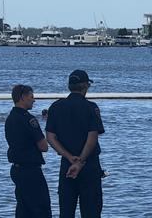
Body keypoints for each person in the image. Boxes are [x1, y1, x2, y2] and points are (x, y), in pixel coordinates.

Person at [46, 70, 105, 218]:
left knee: (66, 212)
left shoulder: (56, 107)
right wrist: (80, 161)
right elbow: (92, 137)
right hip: (89, 166)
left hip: (67, 165)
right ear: (85, 86)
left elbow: (50, 137)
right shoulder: (91, 107)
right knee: (91, 212)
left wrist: (69, 157)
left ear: (69, 86)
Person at [5, 84, 52, 218]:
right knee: (41, 208)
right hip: (31, 170)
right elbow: (44, 147)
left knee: (23, 209)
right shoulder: (29, 119)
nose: (34, 100)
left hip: (16, 169)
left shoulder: (10, 118)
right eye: (31, 97)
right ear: (23, 98)